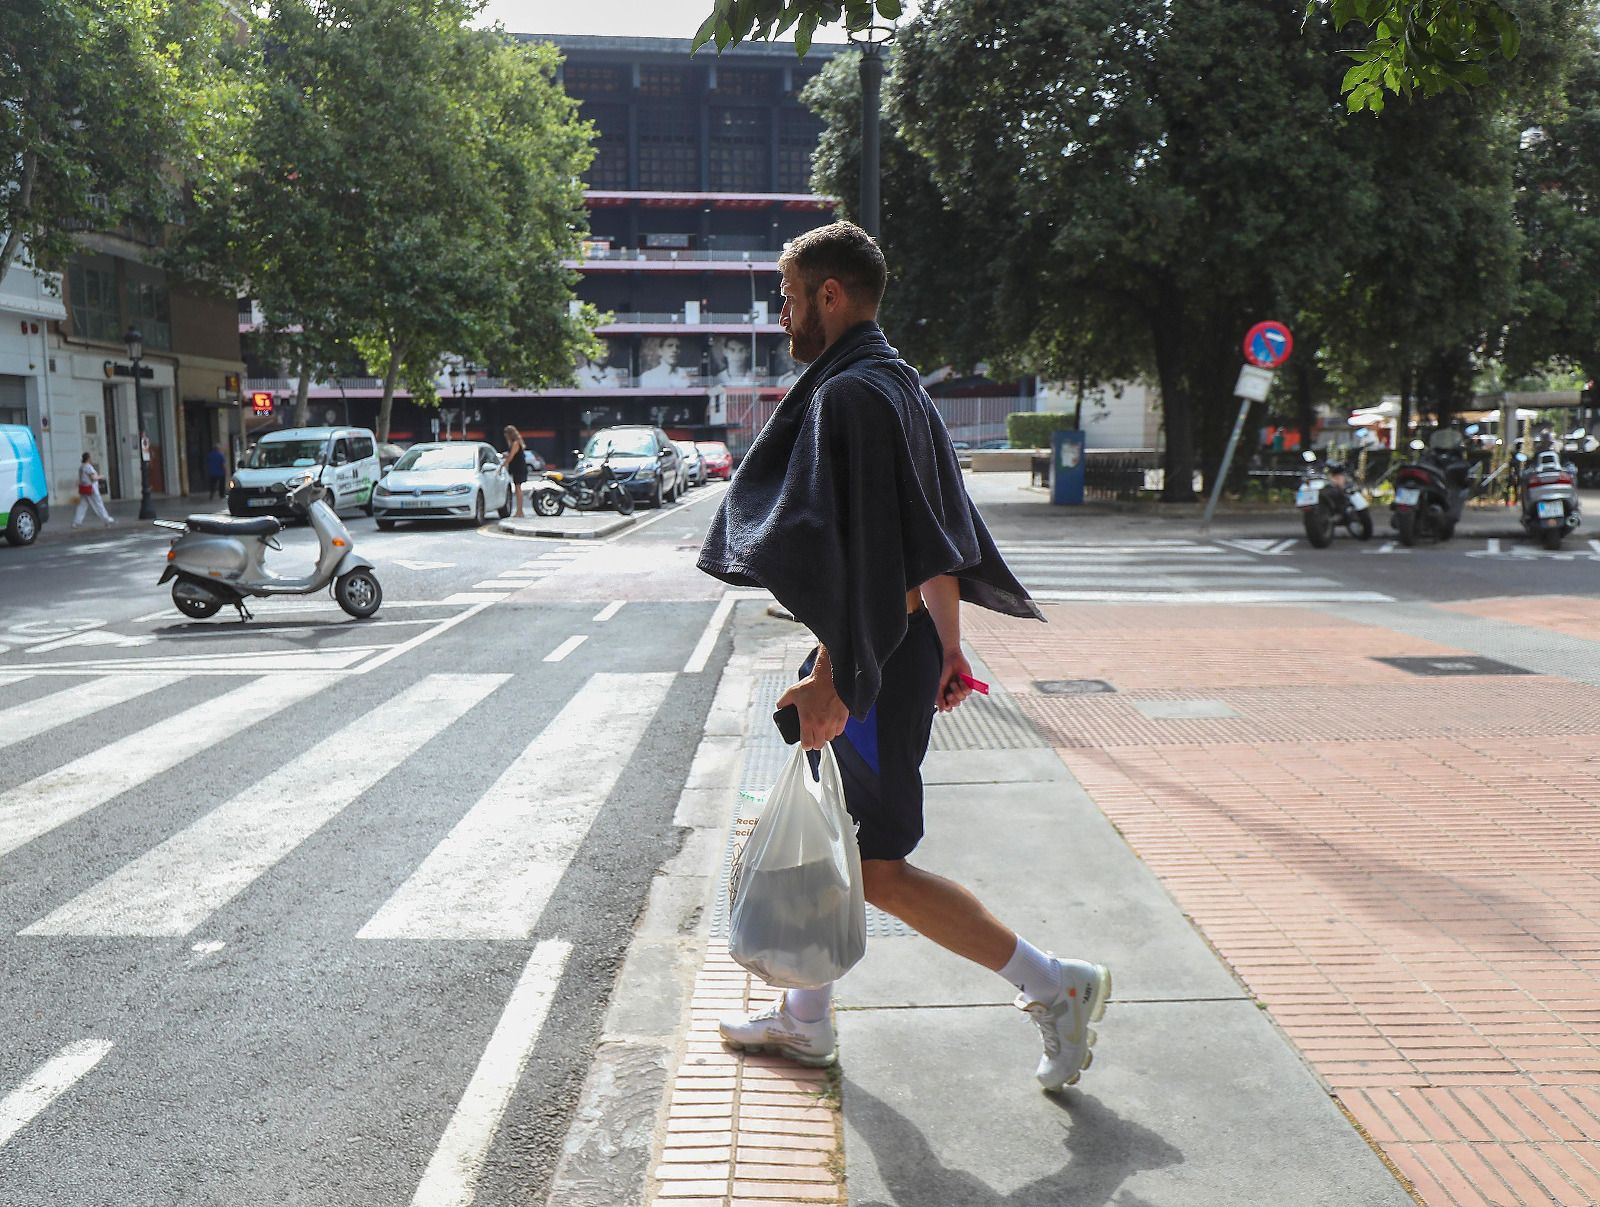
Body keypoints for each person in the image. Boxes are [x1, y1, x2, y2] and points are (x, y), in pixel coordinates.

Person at [698, 222, 1111, 1093]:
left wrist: (832, 676)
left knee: (878, 867)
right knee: (841, 843)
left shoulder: (851, 395)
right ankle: (807, 1021)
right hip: (899, 647)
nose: (782, 315)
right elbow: (935, 535)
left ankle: (1056, 984)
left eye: (788, 296)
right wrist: (950, 646)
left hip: (872, 655)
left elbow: (879, 565)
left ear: (830, 295)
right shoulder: (901, 384)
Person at [73, 452, 115, 528]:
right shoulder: (88, 467)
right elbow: (93, 478)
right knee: (99, 505)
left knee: (82, 506)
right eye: (90, 458)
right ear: (88, 458)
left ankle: (76, 522)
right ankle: (106, 520)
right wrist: (101, 476)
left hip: (84, 488)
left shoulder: (81, 467)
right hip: (91, 489)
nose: (91, 459)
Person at [501, 425, 528, 519]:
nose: (505, 436)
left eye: (506, 434)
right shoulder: (514, 443)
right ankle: (519, 511)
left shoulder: (516, 443)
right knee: (517, 489)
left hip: (519, 468)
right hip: (517, 467)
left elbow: (511, 456)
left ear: (509, 434)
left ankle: (520, 511)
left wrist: (502, 466)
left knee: (518, 489)